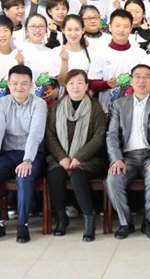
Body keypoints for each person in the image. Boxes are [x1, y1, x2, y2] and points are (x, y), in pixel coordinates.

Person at [0, 65, 47, 244]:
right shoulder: (2, 103)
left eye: (24, 83)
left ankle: (22, 224)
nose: (19, 87)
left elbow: (35, 135)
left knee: (24, 176)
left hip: (32, 155)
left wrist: (27, 160)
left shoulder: (39, 104)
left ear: (31, 85)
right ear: (9, 84)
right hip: (8, 154)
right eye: (15, 83)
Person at [106, 65, 150, 239]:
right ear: (132, 81)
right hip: (126, 157)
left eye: (147, 77)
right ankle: (126, 223)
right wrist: (116, 159)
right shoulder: (119, 104)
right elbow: (112, 135)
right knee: (112, 180)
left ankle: (148, 222)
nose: (142, 80)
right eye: (138, 77)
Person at [45, 69, 107, 240]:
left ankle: (89, 218)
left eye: (80, 83)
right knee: (55, 176)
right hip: (61, 157)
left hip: (89, 158)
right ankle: (61, 218)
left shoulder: (95, 107)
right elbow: (50, 136)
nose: (75, 87)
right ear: (66, 86)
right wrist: (62, 157)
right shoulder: (57, 107)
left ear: (86, 86)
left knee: (78, 177)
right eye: (71, 83)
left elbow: (99, 137)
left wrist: (79, 157)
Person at [88, 9, 147, 110]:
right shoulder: (101, 53)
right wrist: (107, 84)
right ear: (110, 27)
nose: (121, 30)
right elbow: (92, 83)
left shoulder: (141, 54)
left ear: (131, 28)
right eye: (117, 26)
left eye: (126, 26)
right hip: (106, 110)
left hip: (134, 109)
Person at [18, 14, 59, 104]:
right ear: (26, 29)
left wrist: (56, 91)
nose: (37, 30)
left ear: (46, 29)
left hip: (46, 104)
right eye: (33, 26)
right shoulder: (19, 51)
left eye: (41, 26)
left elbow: (57, 80)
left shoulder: (52, 53)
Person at [56, 14, 91, 86]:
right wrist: (64, 61)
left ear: (83, 30)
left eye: (77, 29)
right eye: (69, 30)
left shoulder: (91, 53)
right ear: (63, 30)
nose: (73, 33)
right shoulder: (56, 52)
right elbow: (62, 83)